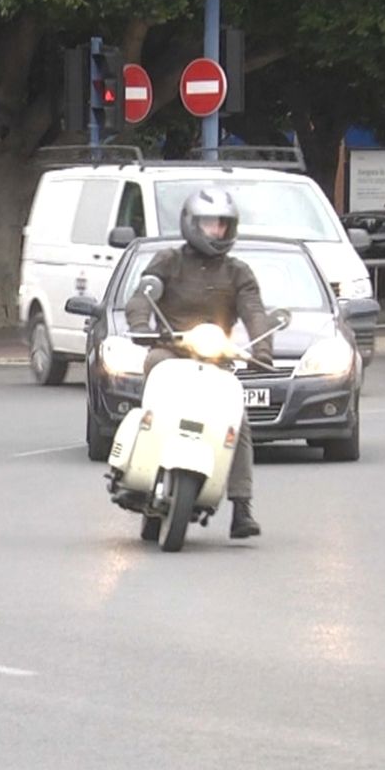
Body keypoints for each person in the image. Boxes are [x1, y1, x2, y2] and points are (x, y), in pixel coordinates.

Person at [125, 187, 272, 539]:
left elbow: (254, 311)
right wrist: (141, 326)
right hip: (170, 350)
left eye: (222, 225)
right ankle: (138, 470)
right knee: (154, 393)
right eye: (208, 224)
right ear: (191, 224)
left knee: (238, 420)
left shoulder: (239, 272)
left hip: (216, 356)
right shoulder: (168, 261)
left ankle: (242, 506)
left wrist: (262, 349)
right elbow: (143, 295)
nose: (215, 231)